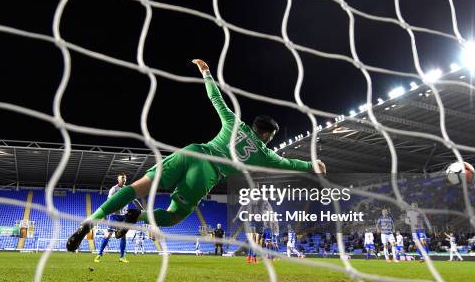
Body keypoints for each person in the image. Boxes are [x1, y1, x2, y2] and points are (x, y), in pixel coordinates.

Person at [67, 59, 325, 252]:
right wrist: (313, 165)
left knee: (138, 187)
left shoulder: (235, 123)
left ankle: (91, 220)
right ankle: (133, 218)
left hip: (192, 152)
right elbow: (290, 163)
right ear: (268, 135)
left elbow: (216, 99)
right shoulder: (265, 155)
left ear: (254, 125)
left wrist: (206, 72)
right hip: (207, 174)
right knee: (173, 216)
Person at [94, 174, 141, 263]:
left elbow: (134, 200)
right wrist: (104, 215)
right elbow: (108, 202)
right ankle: (99, 254)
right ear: (118, 180)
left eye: (125, 178)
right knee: (108, 235)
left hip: (123, 216)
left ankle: (122, 257)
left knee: (123, 236)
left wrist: (142, 209)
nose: (124, 180)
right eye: (122, 178)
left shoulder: (127, 189)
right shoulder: (113, 189)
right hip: (114, 216)